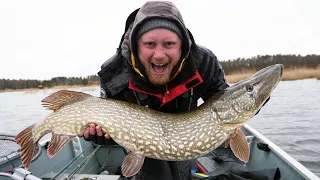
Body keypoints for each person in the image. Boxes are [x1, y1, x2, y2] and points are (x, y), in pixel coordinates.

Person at [83, 1, 265, 179]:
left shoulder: (203, 62)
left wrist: (258, 97)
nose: (159, 54)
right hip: (137, 142)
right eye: (149, 44)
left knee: (180, 171)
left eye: (169, 44)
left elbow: (222, 97)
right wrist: (100, 137)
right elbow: (108, 129)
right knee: (153, 174)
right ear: (136, 45)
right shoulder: (115, 73)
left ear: (182, 44)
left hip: (183, 141)